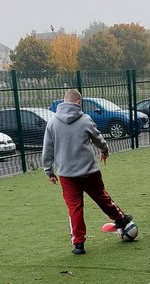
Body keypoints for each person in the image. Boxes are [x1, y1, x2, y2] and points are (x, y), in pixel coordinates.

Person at [42, 89, 132, 254]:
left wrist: (49, 170)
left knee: (74, 208)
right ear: (77, 102)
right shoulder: (85, 119)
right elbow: (98, 138)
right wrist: (104, 150)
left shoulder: (52, 122)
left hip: (67, 174)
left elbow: (47, 148)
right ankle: (120, 218)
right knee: (102, 197)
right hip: (89, 171)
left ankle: (78, 244)